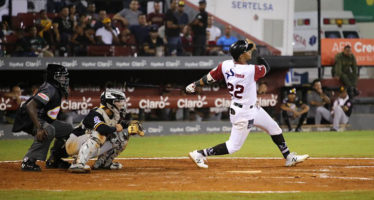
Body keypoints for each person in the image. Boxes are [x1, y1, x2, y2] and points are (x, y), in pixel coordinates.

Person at [185, 40, 309, 168]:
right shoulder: (250, 70)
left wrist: (194, 85)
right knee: (233, 147)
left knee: (274, 128)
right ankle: (199, 153)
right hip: (243, 113)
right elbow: (266, 66)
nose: (250, 51)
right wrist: (257, 53)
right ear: (240, 56)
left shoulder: (225, 65)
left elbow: (209, 78)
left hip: (253, 108)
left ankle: (289, 157)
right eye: (247, 50)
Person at [66, 89, 144, 173]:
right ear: (110, 103)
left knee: (122, 138)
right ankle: (78, 163)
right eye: (118, 101)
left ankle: (103, 163)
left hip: (89, 143)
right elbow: (101, 128)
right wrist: (116, 128)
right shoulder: (96, 113)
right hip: (73, 144)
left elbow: (121, 124)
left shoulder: (114, 115)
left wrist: (132, 124)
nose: (121, 104)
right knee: (100, 134)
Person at [12, 64, 73, 171]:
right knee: (48, 130)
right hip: (29, 119)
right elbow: (30, 106)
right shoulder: (49, 88)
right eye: (62, 76)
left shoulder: (55, 88)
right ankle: (28, 161)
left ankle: (54, 159)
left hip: (42, 118)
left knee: (68, 129)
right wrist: (39, 128)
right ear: (54, 77)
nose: (64, 79)